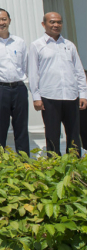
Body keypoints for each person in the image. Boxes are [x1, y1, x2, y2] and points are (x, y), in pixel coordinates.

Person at [29, 12, 87, 155]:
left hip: (71, 96)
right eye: (52, 22)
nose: (56, 25)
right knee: (52, 135)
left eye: (59, 22)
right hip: (49, 97)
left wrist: (83, 94)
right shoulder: (37, 45)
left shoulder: (69, 45)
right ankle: (55, 164)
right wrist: (36, 97)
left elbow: (79, 71)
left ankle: (74, 165)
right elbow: (33, 73)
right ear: (44, 24)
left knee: (74, 134)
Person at [0, 8, 29, 155]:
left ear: (9, 20)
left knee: (21, 127)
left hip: (19, 88)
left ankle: (25, 161)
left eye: (4, 19)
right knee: (0, 127)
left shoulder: (19, 42)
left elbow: (25, 65)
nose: (1, 23)